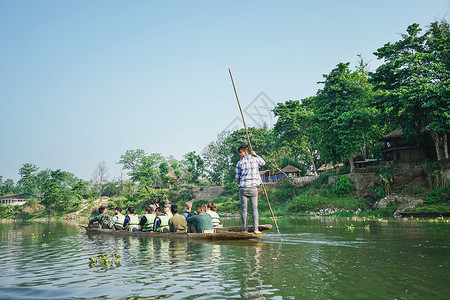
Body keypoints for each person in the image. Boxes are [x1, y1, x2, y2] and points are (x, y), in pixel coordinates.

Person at [235, 144, 265, 234]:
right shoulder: (255, 159)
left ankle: (245, 230)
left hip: (243, 188)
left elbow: (237, 176)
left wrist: (238, 182)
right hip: (253, 188)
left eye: (241, 152)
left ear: (246, 152)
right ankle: (256, 229)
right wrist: (256, 155)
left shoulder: (240, 162)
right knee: (254, 209)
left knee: (244, 209)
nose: (240, 154)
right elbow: (263, 163)